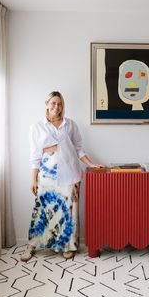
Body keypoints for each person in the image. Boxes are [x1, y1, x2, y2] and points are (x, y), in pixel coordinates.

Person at [21, 91, 103, 262]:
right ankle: (32, 245)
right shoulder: (37, 127)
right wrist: (33, 179)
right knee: (43, 211)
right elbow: (35, 156)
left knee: (69, 212)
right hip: (47, 175)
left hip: (70, 174)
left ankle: (68, 246)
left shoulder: (70, 125)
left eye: (59, 104)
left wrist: (91, 164)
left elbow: (79, 149)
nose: (56, 107)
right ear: (47, 104)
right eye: (53, 103)